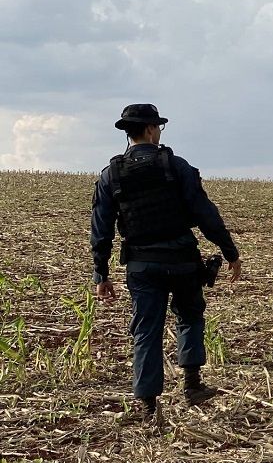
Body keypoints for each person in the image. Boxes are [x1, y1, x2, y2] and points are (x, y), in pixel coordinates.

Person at [90, 104, 242, 418]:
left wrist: (101, 273)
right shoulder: (177, 166)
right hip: (183, 261)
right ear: (149, 129)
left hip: (142, 266)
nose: (159, 132)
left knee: (146, 331)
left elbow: (101, 229)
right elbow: (205, 214)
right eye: (157, 126)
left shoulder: (111, 174)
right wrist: (230, 251)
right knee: (190, 317)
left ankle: (147, 405)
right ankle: (192, 385)